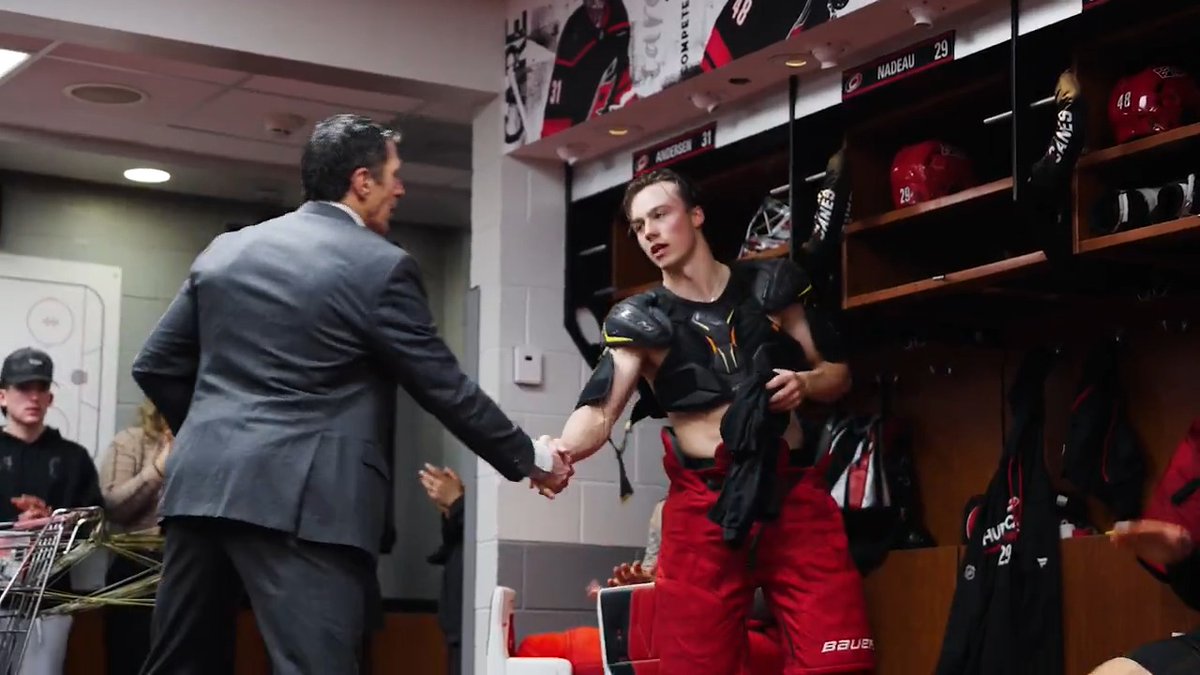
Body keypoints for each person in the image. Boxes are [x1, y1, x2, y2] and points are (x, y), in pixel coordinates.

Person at [130, 113, 572, 675]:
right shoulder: (379, 267)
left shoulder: (226, 252)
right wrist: (531, 459)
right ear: (362, 182)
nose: (401, 188)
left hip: (200, 492)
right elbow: (442, 385)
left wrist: (209, 433)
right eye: (394, 174)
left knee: (178, 666)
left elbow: (156, 364)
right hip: (305, 503)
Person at [546, 168, 874, 674]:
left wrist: (805, 385)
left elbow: (836, 374)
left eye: (660, 215)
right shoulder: (639, 320)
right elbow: (599, 409)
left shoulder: (770, 289)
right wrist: (561, 451)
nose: (649, 232)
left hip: (790, 494)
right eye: (639, 226)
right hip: (704, 509)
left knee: (839, 662)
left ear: (695, 215)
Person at [0, 347, 104, 675]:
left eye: (41, 388)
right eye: (23, 388)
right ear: (3, 396)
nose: (33, 397)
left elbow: (93, 529)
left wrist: (53, 525)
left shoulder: (74, 458)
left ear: (50, 398)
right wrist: (13, 531)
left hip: (49, 601)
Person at [97, 399, 173, 675]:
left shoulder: (213, 442)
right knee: (130, 661)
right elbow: (113, 508)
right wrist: (158, 469)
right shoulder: (131, 441)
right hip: (137, 568)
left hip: (192, 569)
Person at [419, 464, 465, 675]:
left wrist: (457, 503)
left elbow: (477, 536)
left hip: (468, 627)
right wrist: (452, 509)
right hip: (457, 627)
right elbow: (454, 545)